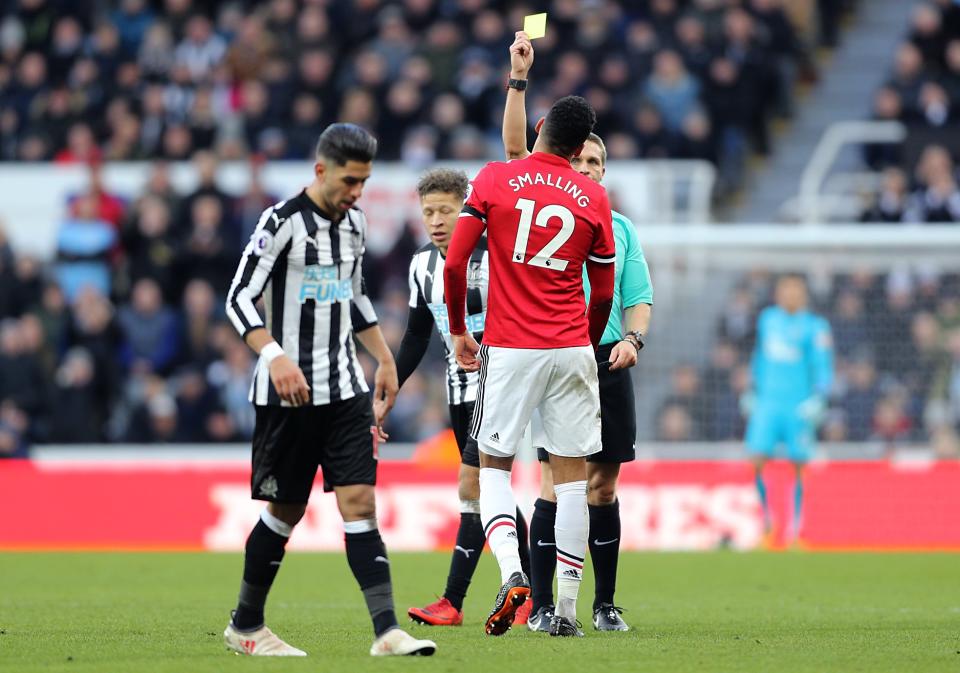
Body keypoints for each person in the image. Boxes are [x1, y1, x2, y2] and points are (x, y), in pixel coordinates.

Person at [222, 123, 436, 657]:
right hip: (289, 395)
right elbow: (239, 299)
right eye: (349, 180)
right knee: (285, 511)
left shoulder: (355, 224)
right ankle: (246, 626)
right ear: (321, 171)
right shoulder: (281, 223)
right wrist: (274, 357)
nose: (357, 192)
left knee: (360, 501)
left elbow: (354, 295)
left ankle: (387, 631)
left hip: (345, 388)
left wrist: (384, 358)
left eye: (363, 181)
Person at [444, 95, 616, 638]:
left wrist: (457, 328)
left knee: (492, 467)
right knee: (570, 482)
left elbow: (455, 262)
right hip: (569, 346)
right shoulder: (593, 195)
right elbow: (605, 291)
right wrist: (584, 342)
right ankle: (565, 612)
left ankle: (513, 572)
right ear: (577, 149)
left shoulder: (497, 178)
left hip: (511, 345)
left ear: (541, 128)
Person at [501, 31, 654, 633]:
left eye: (598, 164)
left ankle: (604, 604)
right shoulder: (547, 211)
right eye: (580, 161)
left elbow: (639, 300)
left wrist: (631, 341)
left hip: (606, 360)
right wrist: (518, 81)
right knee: (555, 480)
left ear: (606, 172)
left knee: (604, 484)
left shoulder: (621, 229)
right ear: (566, 163)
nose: (588, 169)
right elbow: (516, 151)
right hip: (558, 356)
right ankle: (544, 607)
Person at [398, 168, 533, 627]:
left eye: (446, 211)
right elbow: (417, 335)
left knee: (471, 486)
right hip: (459, 393)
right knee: (495, 492)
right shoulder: (420, 265)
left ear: (466, 210)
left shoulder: (494, 256)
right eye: (428, 212)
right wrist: (389, 389)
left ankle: (453, 601)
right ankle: (530, 595)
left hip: (499, 387)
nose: (436, 220)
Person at [741, 274, 834, 546]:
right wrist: (751, 389)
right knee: (756, 460)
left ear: (803, 293)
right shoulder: (768, 320)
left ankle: (796, 533)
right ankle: (768, 525)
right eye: (785, 289)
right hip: (767, 404)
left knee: (798, 465)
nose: (789, 294)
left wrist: (820, 398)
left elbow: (823, 366)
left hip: (799, 406)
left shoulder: (815, 327)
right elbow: (759, 357)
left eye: (795, 289)